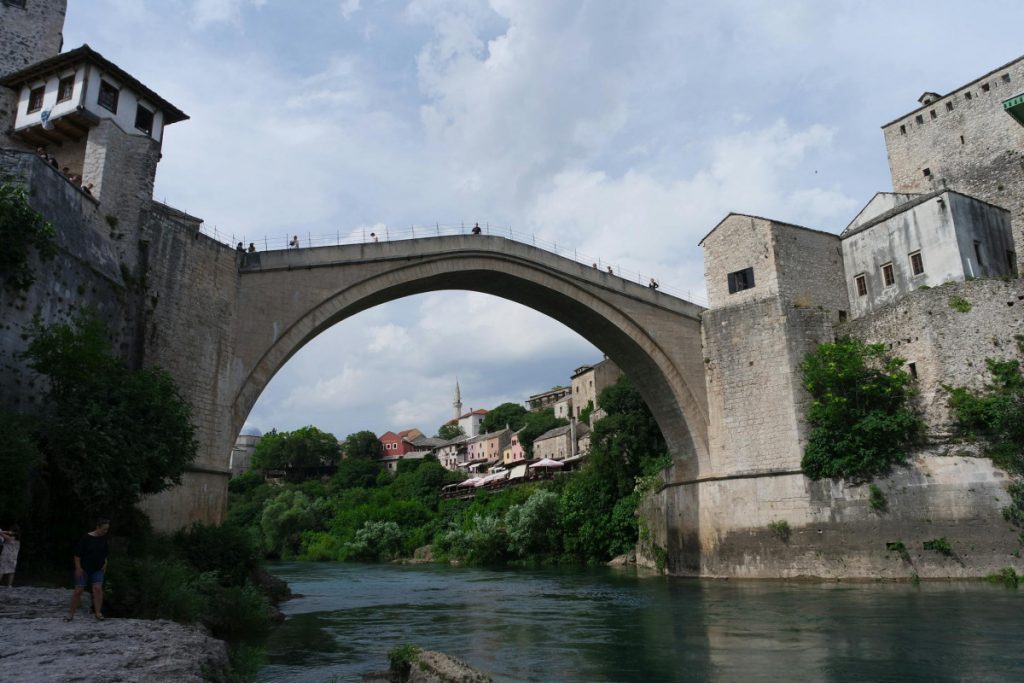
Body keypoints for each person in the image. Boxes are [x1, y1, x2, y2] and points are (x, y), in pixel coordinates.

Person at [67, 519, 110, 621]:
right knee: (78, 590)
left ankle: (98, 613)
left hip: (98, 569)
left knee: (98, 589)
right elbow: (77, 555)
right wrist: (78, 568)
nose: (105, 531)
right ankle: (70, 614)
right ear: (98, 527)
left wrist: (105, 563)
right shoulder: (86, 538)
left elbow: (105, 553)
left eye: (107, 530)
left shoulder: (104, 539)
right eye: (104, 529)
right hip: (84, 568)